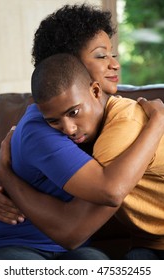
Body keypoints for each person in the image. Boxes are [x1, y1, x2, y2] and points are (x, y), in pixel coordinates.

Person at [0, 4, 164, 260]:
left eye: (112, 54)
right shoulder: (45, 127)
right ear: (69, 64)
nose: (114, 64)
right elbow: (98, 202)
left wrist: (5, 176)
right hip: (21, 244)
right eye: (100, 56)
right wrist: (3, 176)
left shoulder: (116, 118)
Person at [31, 52, 164, 260]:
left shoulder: (122, 128)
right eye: (54, 121)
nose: (68, 129)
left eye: (73, 113)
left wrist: (5, 175)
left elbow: (74, 231)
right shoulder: (85, 131)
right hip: (149, 244)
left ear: (94, 90)